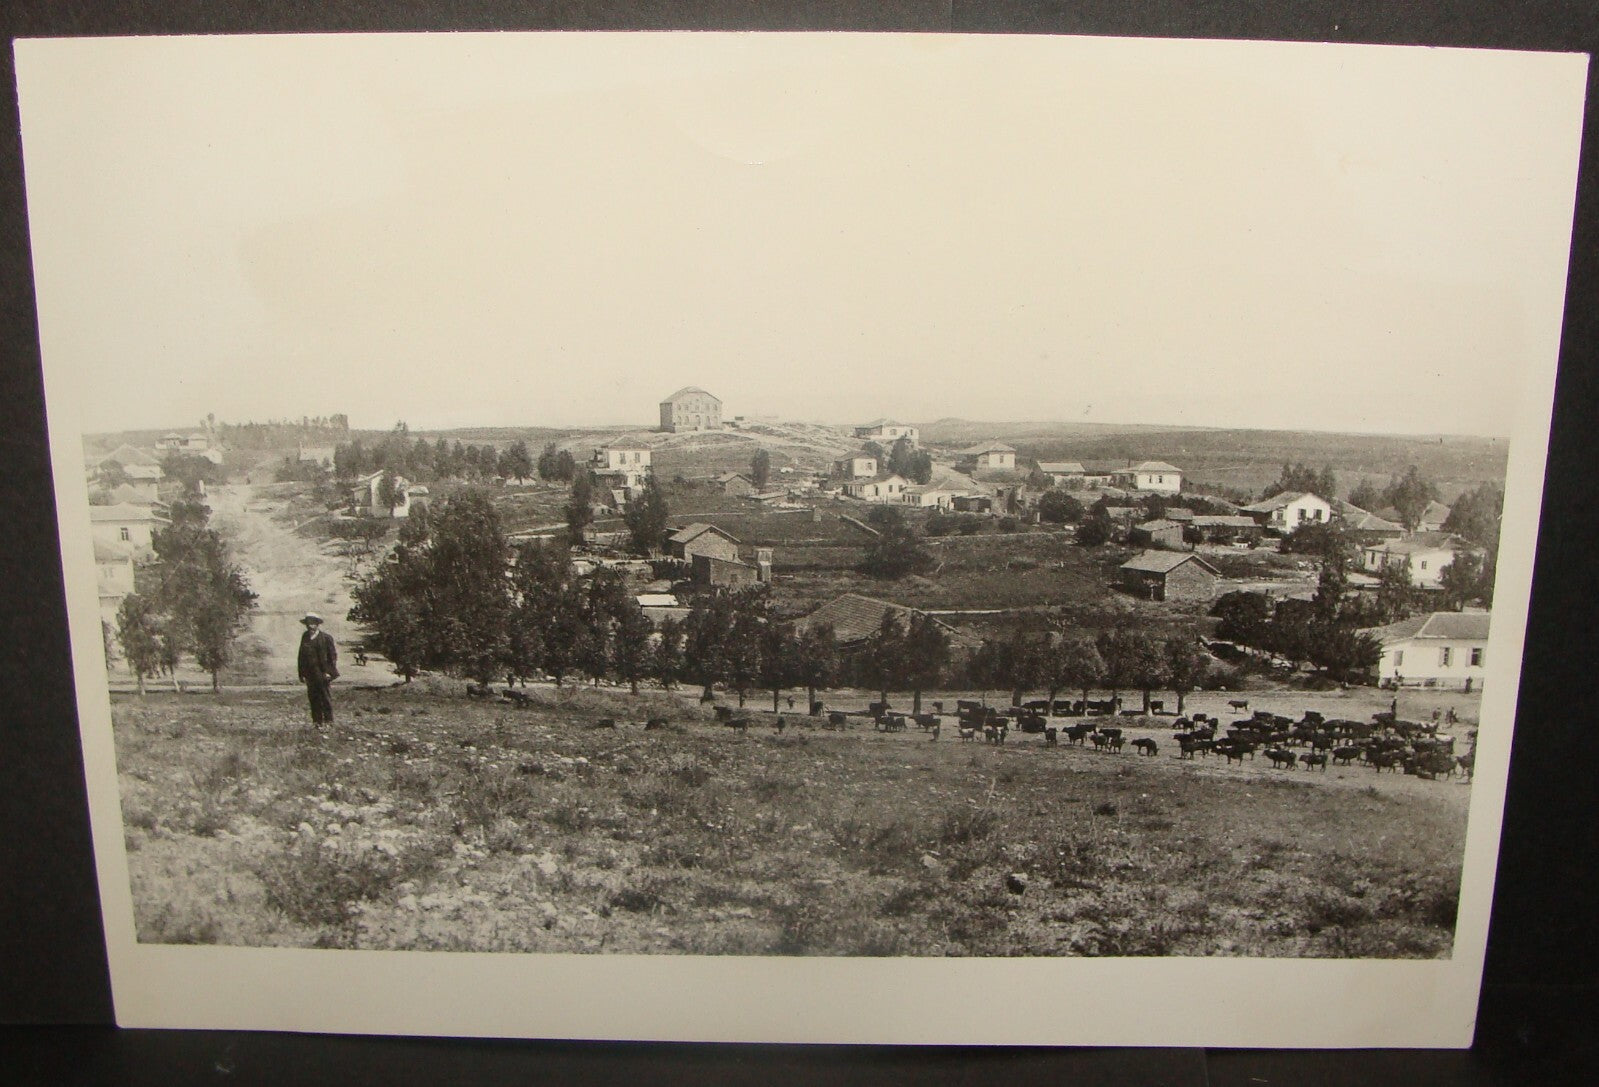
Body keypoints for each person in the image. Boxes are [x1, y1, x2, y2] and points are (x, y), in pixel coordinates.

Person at [296, 612, 338, 726]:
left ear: (317, 624)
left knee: (325, 697)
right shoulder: (305, 637)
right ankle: (317, 722)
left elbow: (332, 656)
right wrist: (302, 673)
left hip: (322, 673)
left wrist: (329, 672)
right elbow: (301, 656)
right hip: (310, 673)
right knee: (313, 697)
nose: (310, 625)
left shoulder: (326, 638)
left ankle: (329, 721)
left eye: (313, 623)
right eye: (308, 623)